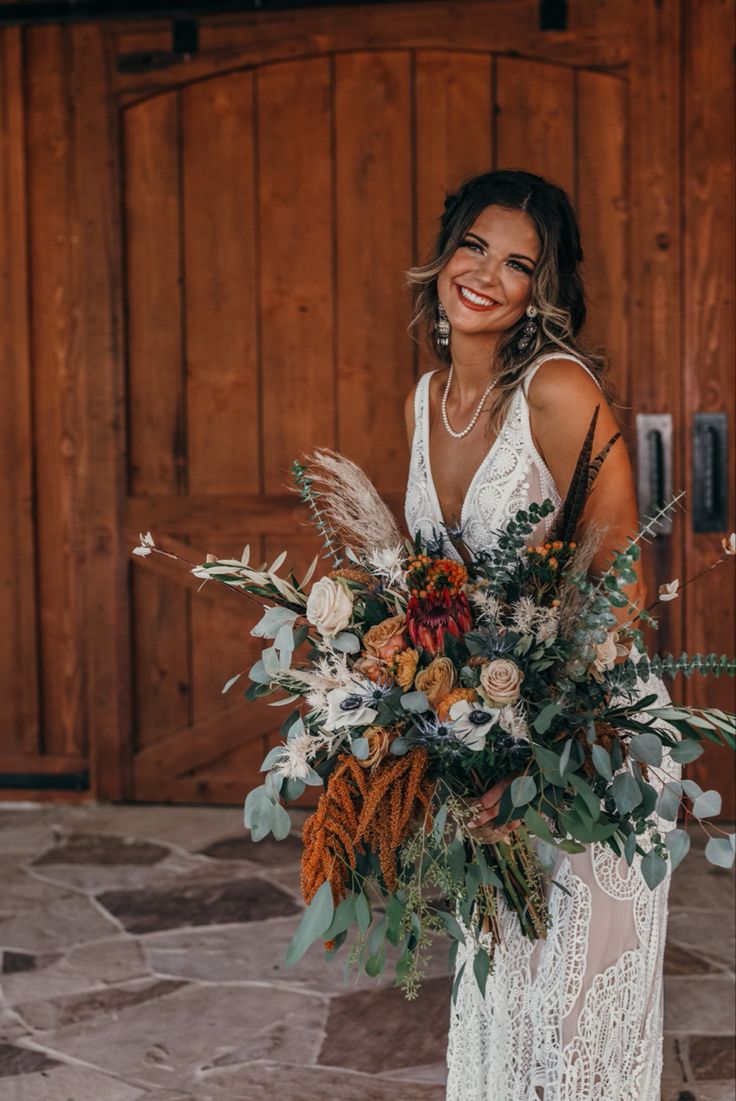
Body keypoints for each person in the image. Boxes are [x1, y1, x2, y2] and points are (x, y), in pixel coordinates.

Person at [403, 170, 680, 1101]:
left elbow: (619, 587)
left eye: (518, 263)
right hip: (488, 738)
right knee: (502, 1006)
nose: (485, 273)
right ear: (445, 252)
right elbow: (429, 595)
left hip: (589, 739)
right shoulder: (424, 399)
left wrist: (537, 748)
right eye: (475, 245)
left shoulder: (558, 391)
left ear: (540, 291)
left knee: (575, 1024)